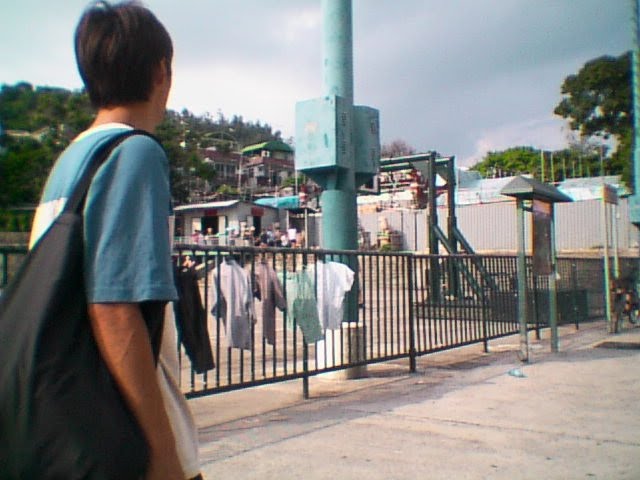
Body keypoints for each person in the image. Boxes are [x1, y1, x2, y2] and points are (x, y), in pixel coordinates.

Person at [28, 2, 195, 478]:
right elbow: (114, 308)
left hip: (70, 423)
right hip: (125, 436)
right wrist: (162, 453)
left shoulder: (72, 158)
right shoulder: (135, 152)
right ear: (161, 72)